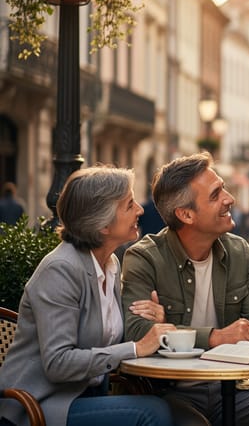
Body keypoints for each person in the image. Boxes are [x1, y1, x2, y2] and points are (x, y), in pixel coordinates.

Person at [120, 152, 249, 426]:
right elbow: (137, 331)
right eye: (215, 195)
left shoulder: (238, 250)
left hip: (233, 388)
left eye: (223, 187)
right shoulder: (144, 258)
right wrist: (214, 337)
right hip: (169, 393)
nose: (229, 199)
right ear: (186, 214)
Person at [0, 167, 177, 426]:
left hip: (86, 396)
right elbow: (58, 363)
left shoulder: (110, 264)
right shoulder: (60, 270)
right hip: (39, 406)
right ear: (103, 224)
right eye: (129, 205)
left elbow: (108, 338)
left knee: (166, 406)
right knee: (152, 412)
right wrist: (136, 348)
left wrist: (151, 322)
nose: (140, 210)